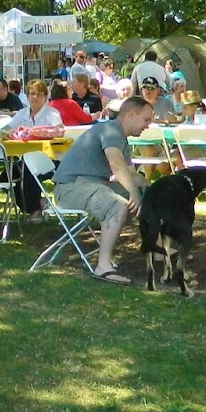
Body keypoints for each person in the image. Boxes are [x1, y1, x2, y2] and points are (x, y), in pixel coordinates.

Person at [51, 94, 155, 285]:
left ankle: (158, 249)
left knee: (148, 197)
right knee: (119, 205)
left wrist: (154, 188)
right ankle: (103, 267)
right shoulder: (110, 130)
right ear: (131, 114)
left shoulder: (120, 137)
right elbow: (116, 164)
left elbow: (130, 174)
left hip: (92, 185)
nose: (148, 125)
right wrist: (133, 193)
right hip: (70, 188)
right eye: (146, 120)